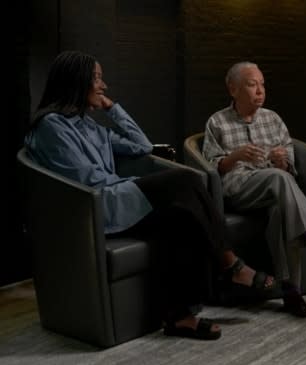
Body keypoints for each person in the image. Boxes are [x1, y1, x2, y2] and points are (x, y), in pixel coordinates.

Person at [25, 50, 276, 341]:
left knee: (182, 217)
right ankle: (231, 265)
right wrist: (137, 185)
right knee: (185, 179)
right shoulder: (52, 127)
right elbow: (88, 181)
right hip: (95, 208)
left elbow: (142, 145)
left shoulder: (90, 125)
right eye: (96, 79)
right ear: (75, 82)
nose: (103, 85)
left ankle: (180, 317)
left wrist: (113, 108)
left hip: (118, 198)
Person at [202, 61, 306, 318]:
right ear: (233, 89)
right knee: (279, 179)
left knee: (282, 207)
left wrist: (283, 161)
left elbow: (289, 164)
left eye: (262, 84)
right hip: (238, 189)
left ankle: (292, 292)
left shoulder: (273, 119)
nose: (260, 90)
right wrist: (235, 156)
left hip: (273, 188)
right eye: (252, 84)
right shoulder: (218, 122)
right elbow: (211, 167)